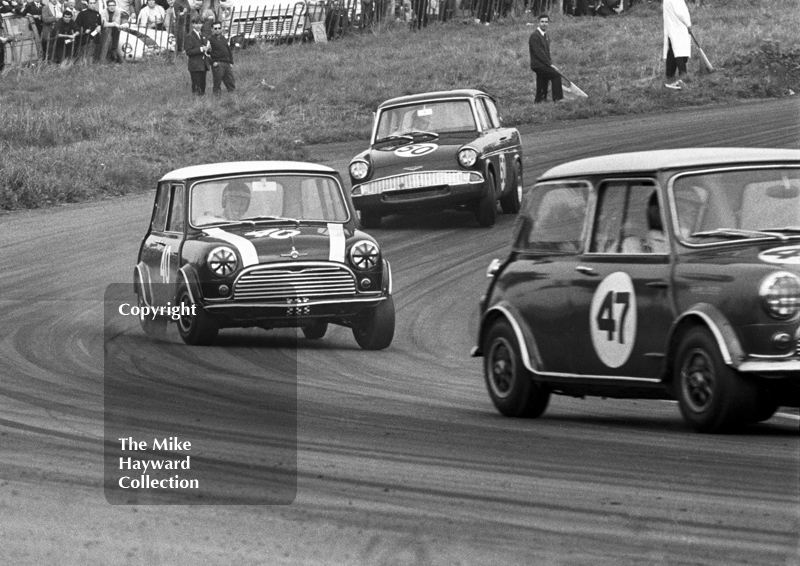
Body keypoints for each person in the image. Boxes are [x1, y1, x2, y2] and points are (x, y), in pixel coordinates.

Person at [528, 13, 562, 103]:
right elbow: (539, 53)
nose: (544, 24)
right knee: (556, 75)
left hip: (542, 64)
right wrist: (550, 65)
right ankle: (557, 99)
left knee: (543, 80)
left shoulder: (545, 35)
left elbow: (546, 53)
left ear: (548, 23)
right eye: (542, 22)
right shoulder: (535, 36)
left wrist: (549, 63)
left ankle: (539, 101)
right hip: (538, 64)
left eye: (546, 22)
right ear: (538, 23)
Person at [663, 0, 691, 90]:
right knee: (680, 51)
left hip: (671, 26)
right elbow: (681, 13)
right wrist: (688, 24)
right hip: (678, 26)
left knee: (672, 49)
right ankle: (683, 74)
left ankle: (670, 74)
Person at [184, 15, 209, 94]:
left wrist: (208, 49)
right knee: (196, 85)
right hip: (195, 65)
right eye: (196, 24)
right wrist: (201, 49)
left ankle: (202, 102)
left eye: (200, 23)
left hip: (203, 64)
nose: (198, 26)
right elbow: (188, 52)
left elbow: (206, 48)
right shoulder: (189, 36)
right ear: (193, 24)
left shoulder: (203, 35)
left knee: (203, 84)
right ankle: (196, 102)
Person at [208, 20, 234, 94]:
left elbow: (229, 50)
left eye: (219, 28)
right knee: (217, 82)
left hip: (227, 63)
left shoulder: (223, 38)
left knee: (230, 81)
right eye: (215, 28)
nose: (217, 30)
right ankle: (217, 98)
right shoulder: (210, 39)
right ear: (212, 29)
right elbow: (206, 53)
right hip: (218, 64)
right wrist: (212, 63)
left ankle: (232, 97)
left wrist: (231, 62)